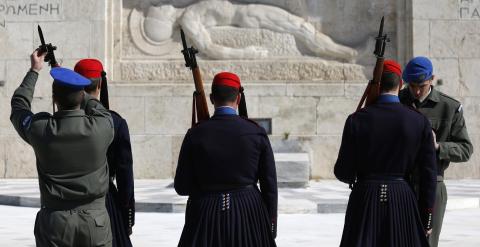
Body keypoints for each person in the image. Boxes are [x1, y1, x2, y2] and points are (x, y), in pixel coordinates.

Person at [10, 50, 114, 246]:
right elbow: (96, 106)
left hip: (55, 223)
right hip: (95, 222)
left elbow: (18, 106)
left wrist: (34, 70)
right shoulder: (102, 127)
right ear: (81, 95)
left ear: (54, 99)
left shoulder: (40, 130)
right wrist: (72, 81)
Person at [334, 60, 437, 247]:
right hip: (402, 197)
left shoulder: (356, 120)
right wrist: (426, 217)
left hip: (365, 197)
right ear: (400, 84)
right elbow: (428, 176)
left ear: (377, 85)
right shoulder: (419, 121)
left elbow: (343, 172)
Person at [174, 72, 278, 247]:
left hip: (205, 211)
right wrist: (269, 223)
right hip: (249, 211)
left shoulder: (195, 134)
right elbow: (269, 184)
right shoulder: (256, 132)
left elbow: (182, 186)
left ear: (212, 98)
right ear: (238, 98)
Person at [399, 56, 474, 247]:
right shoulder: (397, 101)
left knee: (427, 242)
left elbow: (466, 149)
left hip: (432, 185)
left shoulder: (449, 107)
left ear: (432, 79)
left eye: (421, 85)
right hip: (400, 184)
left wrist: (438, 147)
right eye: (412, 85)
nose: (416, 91)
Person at [137, 0, 357, 61]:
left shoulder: (188, 10)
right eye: (157, 10)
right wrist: (245, 53)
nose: (159, 5)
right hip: (249, 15)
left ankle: (345, 52)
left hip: (249, 10)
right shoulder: (189, 19)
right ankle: (348, 53)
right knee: (302, 29)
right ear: (165, 19)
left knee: (301, 26)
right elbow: (210, 48)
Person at [74, 59, 135, 247]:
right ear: (100, 84)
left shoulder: (62, 122)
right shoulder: (115, 123)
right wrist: (127, 213)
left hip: (70, 200)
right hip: (105, 202)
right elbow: (125, 175)